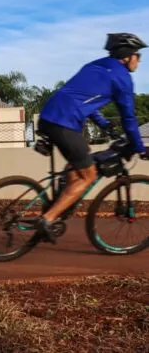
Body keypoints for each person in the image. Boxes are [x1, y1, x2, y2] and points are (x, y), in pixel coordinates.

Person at [35, 32, 148, 243]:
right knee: (88, 175)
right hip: (66, 124)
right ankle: (48, 218)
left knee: (74, 169)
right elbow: (129, 119)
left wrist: (104, 124)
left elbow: (83, 100)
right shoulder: (123, 78)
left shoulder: (94, 65)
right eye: (138, 56)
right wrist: (140, 147)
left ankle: (57, 207)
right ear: (127, 56)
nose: (139, 61)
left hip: (48, 117)